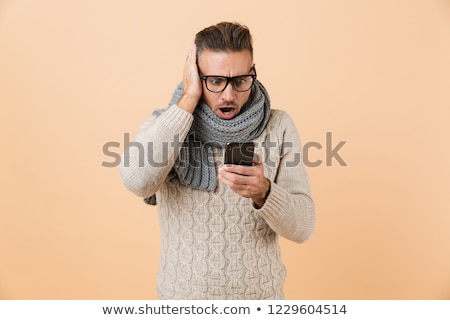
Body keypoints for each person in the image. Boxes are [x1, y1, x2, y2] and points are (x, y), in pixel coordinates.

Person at [119, 22, 315, 300]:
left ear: (253, 73)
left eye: (240, 81)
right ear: (196, 77)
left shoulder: (278, 125)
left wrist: (265, 193)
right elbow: (137, 181)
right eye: (215, 81)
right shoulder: (165, 124)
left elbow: (304, 227)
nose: (229, 95)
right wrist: (188, 99)